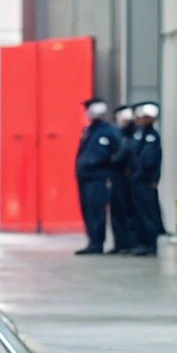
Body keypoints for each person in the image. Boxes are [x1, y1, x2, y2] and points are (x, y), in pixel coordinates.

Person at [74, 98, 120, 255]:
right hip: (85, 178)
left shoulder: (107, 130)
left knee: (96, 211)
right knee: (88, 210)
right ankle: (92, 241)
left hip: (97, 178)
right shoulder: (89, 130)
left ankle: (97, 243)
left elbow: (108, 154)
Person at [130, 102, 165, 256]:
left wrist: (139, 173)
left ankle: (150, 245)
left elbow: (148, 160)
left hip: (145, 181)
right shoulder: (142, 134)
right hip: (139, 180)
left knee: (148, 213)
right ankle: (142, 243)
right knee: (140, 213)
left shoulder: (151, 136)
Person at [108, 106, 141, 254]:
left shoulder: (134, 136)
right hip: (116, 178)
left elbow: (122, 156)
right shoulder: (116, 135)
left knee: (128, 213)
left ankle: (130, 244)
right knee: (116, 213)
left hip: (127, 180)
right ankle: (120, 244)